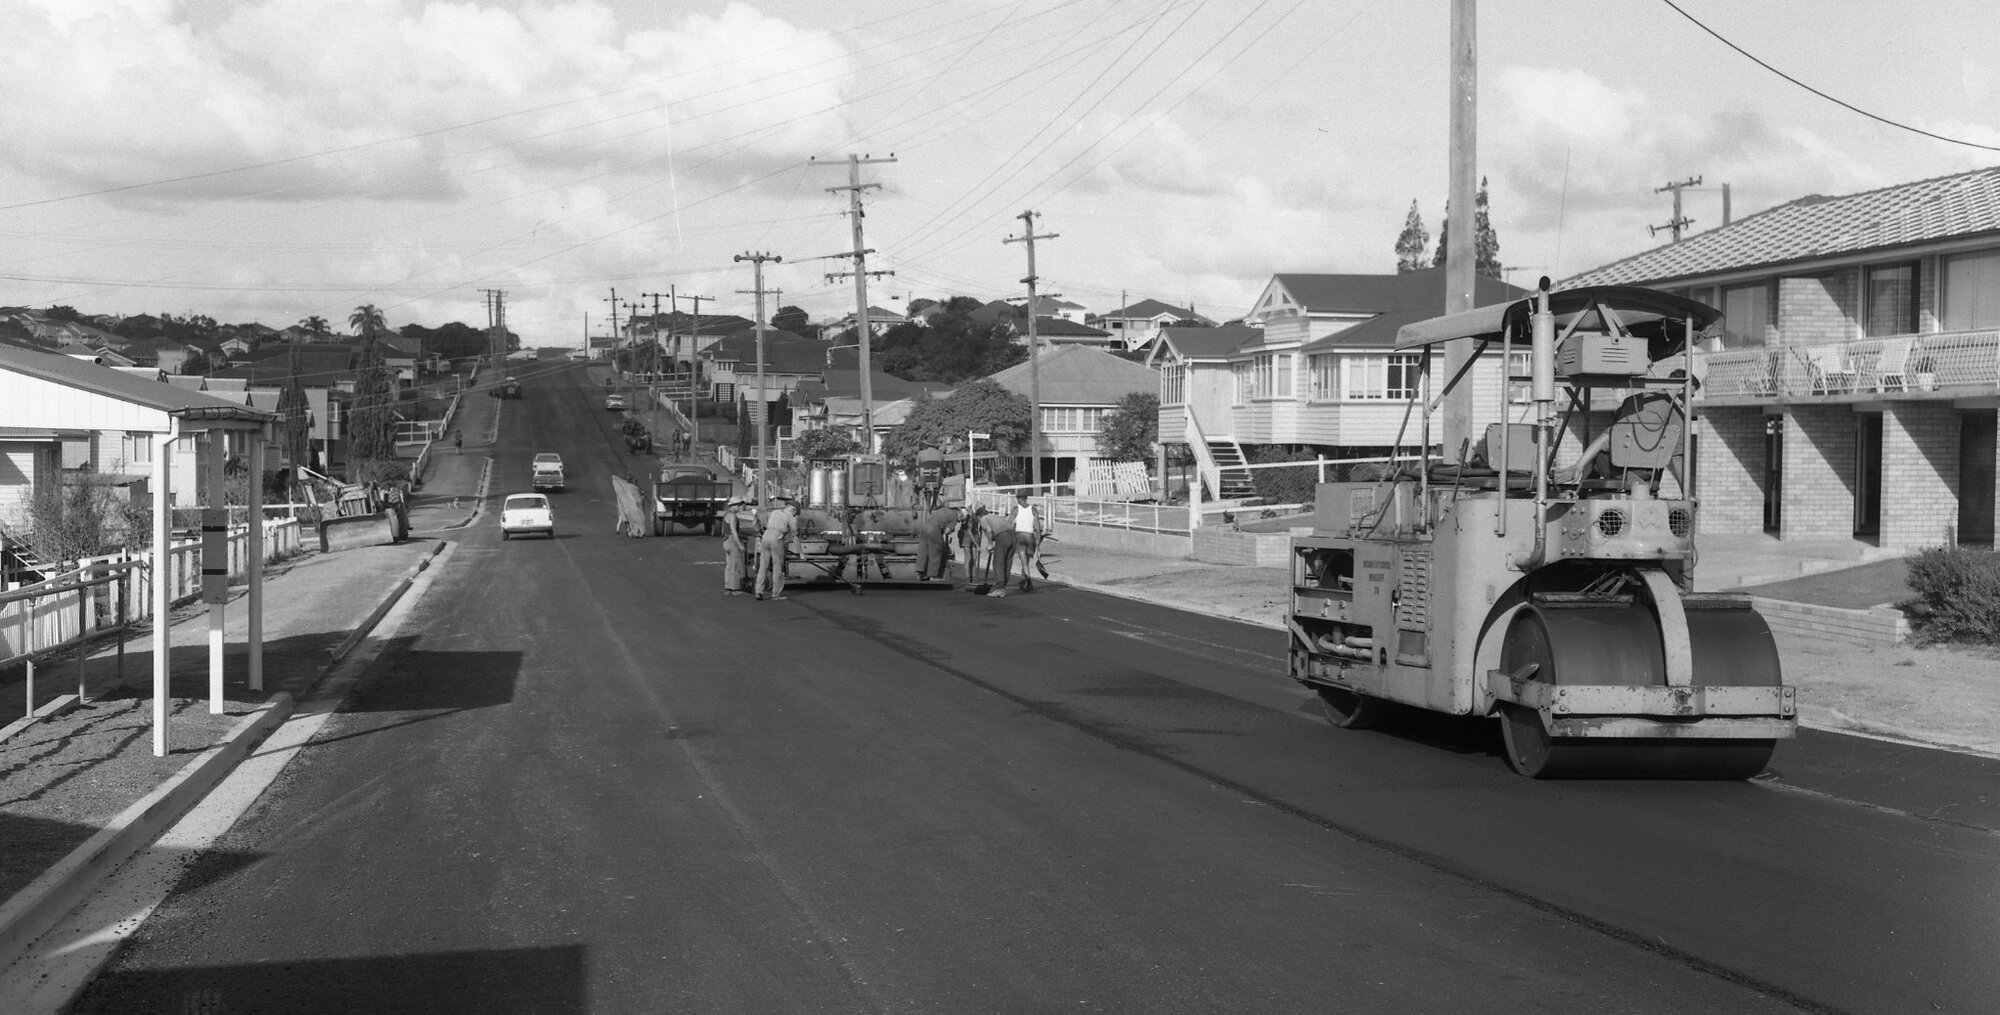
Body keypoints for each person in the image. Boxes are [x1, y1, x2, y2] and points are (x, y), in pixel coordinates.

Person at [755, 498, 799, 601]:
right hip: (777, 537)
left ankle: (758, 591)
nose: (796, 515)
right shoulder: (791, 517)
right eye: (796, 513)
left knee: (763, 566)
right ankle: (776, 594)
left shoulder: (775, 512)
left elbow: (765, 524)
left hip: (766, 536)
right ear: (793, 510)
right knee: (777, 566)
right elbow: (795, 537)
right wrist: (801, 553)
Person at [1000, 490, 1040, 591]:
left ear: (1019, 498)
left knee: (1024, 562)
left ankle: (1029, 582)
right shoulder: (1033, 509)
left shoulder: (1016, 509)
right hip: (1030, 536)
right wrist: (1038, 540)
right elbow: (1038, 526)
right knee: (1026, 560)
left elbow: (1009, 523)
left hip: (1020, 536)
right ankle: (1023, 580)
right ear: (1026, 498)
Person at [915, 503, 963, 581]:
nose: (959, 522)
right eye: (959, 521)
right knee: (935, 552)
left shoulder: (942, 510)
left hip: (924, 528)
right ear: (960, 514)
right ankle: (933, 576)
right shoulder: (954, 516)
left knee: (923, 552)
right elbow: (947, 531)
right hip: (935, 530)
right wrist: (951, 530)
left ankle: (920, 573)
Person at [720, 496, 749, 595]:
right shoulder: (732, 516)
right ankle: (735, 589)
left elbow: (725, 530)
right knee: (735, 565)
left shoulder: (726, 515)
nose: (740, 507)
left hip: (726, 540)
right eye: (739, 505)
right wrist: (739, 544)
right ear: (734, 505)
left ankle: (728, 588)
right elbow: (733, 531)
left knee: (729, 566)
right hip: (732, 541)